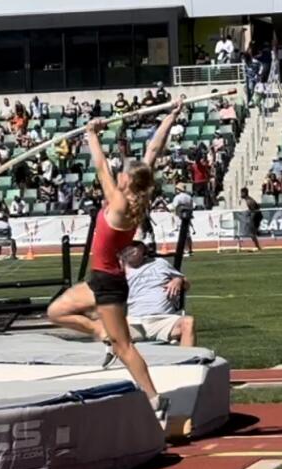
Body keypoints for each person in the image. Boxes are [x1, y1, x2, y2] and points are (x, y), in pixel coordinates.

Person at [46, 100, 184, 416]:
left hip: (109, 285)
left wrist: (91, 134)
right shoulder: (138, 195)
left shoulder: (120, 204)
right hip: (99, 278)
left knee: (124, 347)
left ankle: (154, 398)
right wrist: (171, 116)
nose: (119, 173)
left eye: (123, 173)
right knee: (56, 311)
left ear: (126, 182)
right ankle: (99, 332)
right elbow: (154, 150)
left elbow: (100, 167)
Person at [120, 242, 194, 347]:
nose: (131, 249)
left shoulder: (160, 263)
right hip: (134, 320)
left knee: (188, 322)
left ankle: (188, 360)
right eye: (128, 246)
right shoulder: (119, 270)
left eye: (135, 245)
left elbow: (186, 284)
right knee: (111, 330)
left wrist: (178, 280)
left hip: (163, 320)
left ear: (142, 249)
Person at [239, 187, 262, 251]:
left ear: (245, 193)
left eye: (241, 193)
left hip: (256, 218)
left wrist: (252, 221)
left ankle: (258, 246)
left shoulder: (249, 201)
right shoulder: (247, 200)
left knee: (252, 234)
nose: (240, 195)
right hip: (253, 217)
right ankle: (257, 246)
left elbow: (255, 211)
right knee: (252, 234)